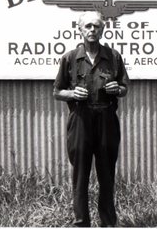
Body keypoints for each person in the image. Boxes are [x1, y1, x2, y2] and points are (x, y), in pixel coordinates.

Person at [53, 11, 129, 227]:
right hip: (80, 120)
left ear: (103, 29)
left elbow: (125, 89)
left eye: (96, 26)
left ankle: (107, 223)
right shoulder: (69, 58)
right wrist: (71, 94)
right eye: (88, 26)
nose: (92, 30)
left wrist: (118, 89)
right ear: (80, 29)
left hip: (106, 119)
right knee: (80, 176)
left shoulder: (113, 57)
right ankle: (81, 223)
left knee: (107, 175)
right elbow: (57, 91)